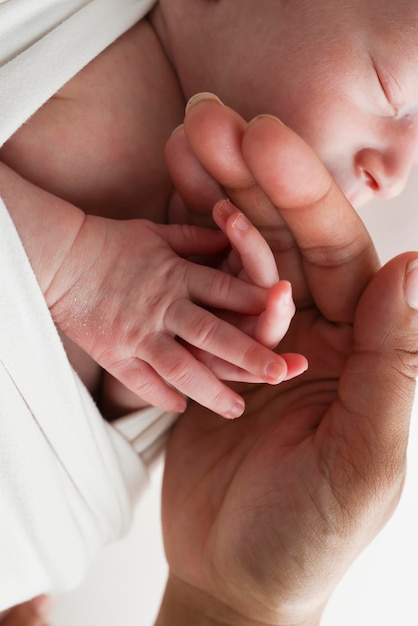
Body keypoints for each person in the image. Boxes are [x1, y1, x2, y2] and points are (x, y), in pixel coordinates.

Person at [1, 0, 418, 618]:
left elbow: (85, 411)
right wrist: (76, 271)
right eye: (392, 93)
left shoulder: (232, 241)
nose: (398, 176)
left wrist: (166, 370)